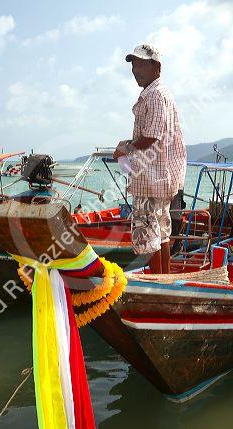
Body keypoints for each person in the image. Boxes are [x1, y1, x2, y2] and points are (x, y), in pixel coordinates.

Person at [113, 44, 187, 274]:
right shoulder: (161, 92)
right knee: (162, 235)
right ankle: (163, 279)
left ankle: (157, 281)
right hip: (161, 179)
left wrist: (124, 149)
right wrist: (128, 145)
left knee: (150, 239)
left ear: (157, 66)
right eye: (133, 64)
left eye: (141, 63)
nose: (136, 69)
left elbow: (151, 137)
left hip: (151, 179)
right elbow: (153, 135)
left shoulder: (154, 94)